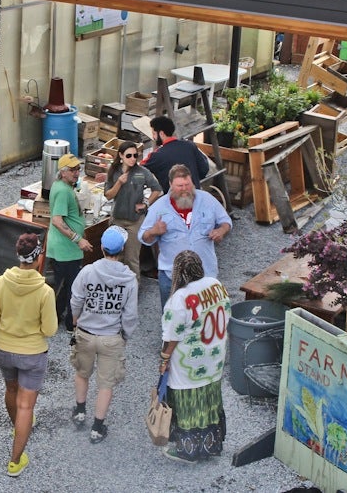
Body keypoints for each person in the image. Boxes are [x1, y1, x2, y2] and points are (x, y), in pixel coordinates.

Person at [0, 233, 58, 477]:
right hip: (33, 353)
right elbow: (50, 330)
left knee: (11, 390)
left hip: (4, 349)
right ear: (38, 258)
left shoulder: (0, 282)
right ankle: (15, 461)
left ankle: (17, 427)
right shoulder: (45, 291)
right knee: (27, 406)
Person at [68, 225, 139, 444]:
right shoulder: (129, 279)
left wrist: (75, 319)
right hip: (111, 337)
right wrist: (125, 335)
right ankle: (97, 427)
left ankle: (80, 411)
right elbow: (130, 314)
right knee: (106, 383)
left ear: (101, 247)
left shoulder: (88, 271)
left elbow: (76, 298)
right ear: (123, 249)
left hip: (86, 333)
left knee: (82, 372)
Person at [159, 250, 230, 463]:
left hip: (188, 362)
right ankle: (211, 445)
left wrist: (164, 359)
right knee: (210, 398)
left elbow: (172, 334)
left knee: (187, 403)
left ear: (178, 272)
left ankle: (188, 450)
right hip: (214, 355)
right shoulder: (215, 285)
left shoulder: (179, 298)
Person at [139, 164, 231, 306]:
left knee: (204, 315)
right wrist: (153, 231)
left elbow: (226, 221)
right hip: (172, 277)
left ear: (192, 182)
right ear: (170, 185)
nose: (184, 190)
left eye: (187, 184)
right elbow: (144, 238)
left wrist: (221, 231)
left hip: (205, 274)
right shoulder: (158, 207)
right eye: (179, 186)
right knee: (172, 317)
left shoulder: (207, 199)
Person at [46, 153, 92, 335]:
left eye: (78, 169)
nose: (76, 173)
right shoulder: (63, 191)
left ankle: (55, 317)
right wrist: (78, 239)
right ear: (63, 172)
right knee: (74, 288)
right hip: (66, 250)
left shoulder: (62, 186)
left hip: (64, 249)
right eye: (72, 170)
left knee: (63, 287)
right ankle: (70, 324)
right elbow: (57, 221)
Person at [103, 141, 162, 280]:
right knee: (116, 257)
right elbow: (108, 195)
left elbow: (157, 189)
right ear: (121, 155)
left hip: (135, 221)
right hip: (117, 220)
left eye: (135, 155)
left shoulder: (141, 173)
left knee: (132, 258)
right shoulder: (113, 172)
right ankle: (116, 286)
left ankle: (134, 289)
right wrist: (119, 183)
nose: (133, 159)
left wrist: (146, 204)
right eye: (129, 155)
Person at [140, 115, 211, 193]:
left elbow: (138, 172)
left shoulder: (157, 156)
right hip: (195, 195)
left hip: (174, 200)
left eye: (154, 134)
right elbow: (204, 168)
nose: (153, 137)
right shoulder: (190, 146)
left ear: (161, 134)